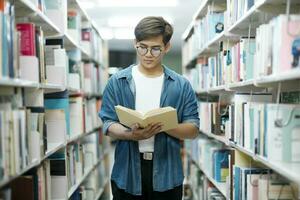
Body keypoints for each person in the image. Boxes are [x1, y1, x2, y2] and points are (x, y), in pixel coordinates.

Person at [99, 16, 199, 200]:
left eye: (155, 49)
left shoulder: (182, 85)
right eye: (142, 47)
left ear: (166, 47)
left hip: (167, 173)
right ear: (135, 43)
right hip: (127, 173)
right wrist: (131, 135)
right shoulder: (117, 82)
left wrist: (164, 126)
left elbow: (192, 129)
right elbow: (108, 123)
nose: (148, 54)